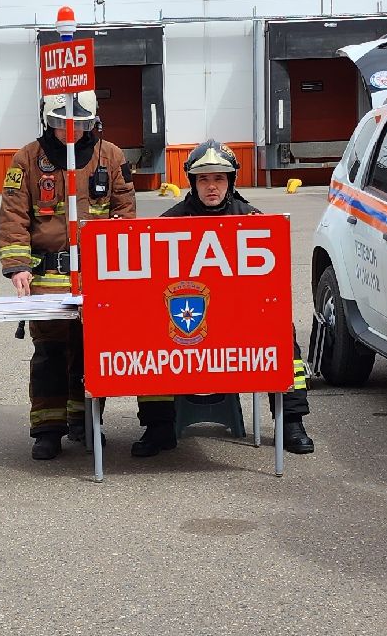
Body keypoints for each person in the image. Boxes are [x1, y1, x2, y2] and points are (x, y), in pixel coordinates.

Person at [131, 141, 315, 458]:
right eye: (203, 179)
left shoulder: (254, 221)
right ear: (193, 183)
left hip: (238, 321)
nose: (211, 186)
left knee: (283, 337)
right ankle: (158, 427)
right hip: (189, 320)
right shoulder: (168, 224)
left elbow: (269, 287)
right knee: (150, 342)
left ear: (230, 181)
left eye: (219, 178)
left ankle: (291, 423)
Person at [0, 91, 137, 460]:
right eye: (61, 124)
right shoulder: (28, 159)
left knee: (91, 353)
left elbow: (125, 214)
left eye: (79, 123)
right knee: (50, 355)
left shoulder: (111, 156)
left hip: (96, 277)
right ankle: (48, 430)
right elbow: (14, 216)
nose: (70, 131)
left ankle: (85, 421)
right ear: (48, 122)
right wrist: (18, 266)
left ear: (93, 121)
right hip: (47, 277)